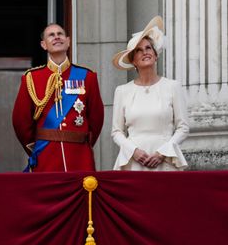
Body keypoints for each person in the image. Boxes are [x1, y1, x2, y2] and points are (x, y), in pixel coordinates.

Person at [12, 24, 104, 172]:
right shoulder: (32, 78)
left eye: (60, 34)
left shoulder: (87, 76)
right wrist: (37, 148)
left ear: (68, 41)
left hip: (79, 158)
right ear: (44, 45)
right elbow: (21, 121)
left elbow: (96, 118)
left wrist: (82, 143)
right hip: (46, 156)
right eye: (51, 35)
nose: (56, 37)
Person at [111, 16, 189, 170]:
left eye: (148, 48)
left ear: (156, 54)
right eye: (138, 51)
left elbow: (183, 127)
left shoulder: (173, 86)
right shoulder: (122, 91)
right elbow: (116, 131)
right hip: (134, 162)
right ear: (133, 61)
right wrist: (134, 151)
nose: (145, 52)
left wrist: (163, 152)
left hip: (165, 160)